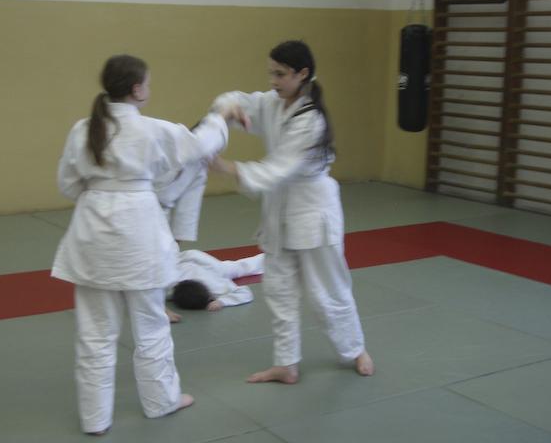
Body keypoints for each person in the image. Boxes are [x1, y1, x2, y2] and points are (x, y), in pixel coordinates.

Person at [51, 54, 240, 435]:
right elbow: (201, 143)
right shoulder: (152, 130)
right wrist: (222, 114)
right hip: (139, 234)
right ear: (137, 89)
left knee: (94, 335)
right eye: (148, 84)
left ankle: (94, 418)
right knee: (151, 326)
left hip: (92, 235)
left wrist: (100, 193)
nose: (149, 90)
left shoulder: (83, 129)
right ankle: (161, 401)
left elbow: (67, 184)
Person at [209, 40, 374, 384]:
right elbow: (238, 99)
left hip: (312, 211)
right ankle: (286, 364)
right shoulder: (273, 102)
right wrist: (228, 110)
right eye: (271, 72)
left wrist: (227, 168)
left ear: (302, 74)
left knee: (328, 291)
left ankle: (354, 349)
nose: (273, 81)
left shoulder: (311, 120)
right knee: (278, 289)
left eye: (280, 74)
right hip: (279, 211)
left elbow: (276, 170)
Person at [169, 250, 263, 312]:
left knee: (238, 268)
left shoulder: (216, 287)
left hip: (206, 263)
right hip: (183, 259)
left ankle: (268, 257)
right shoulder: (168, 287)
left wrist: (222, 301)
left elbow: (245, 293)